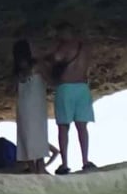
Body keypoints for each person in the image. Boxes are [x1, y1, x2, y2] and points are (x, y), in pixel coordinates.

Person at [47, 31, 96, 174]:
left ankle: (64, 164)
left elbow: (56, 58)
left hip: (66, 87)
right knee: (82, 127)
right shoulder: (85, 47)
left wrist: (50, 53)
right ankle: (85, 161)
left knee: (63, 127)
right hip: (82, 87)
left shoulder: (64, 47)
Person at [13, 39, 50, 174]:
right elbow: (49, 79)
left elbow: (12, 89)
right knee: (39, 135)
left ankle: (33, 169)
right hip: (37, 106)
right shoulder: (37, 66)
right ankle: (41, 168)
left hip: (24, 106)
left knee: (26, 136)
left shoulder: (17, 72)